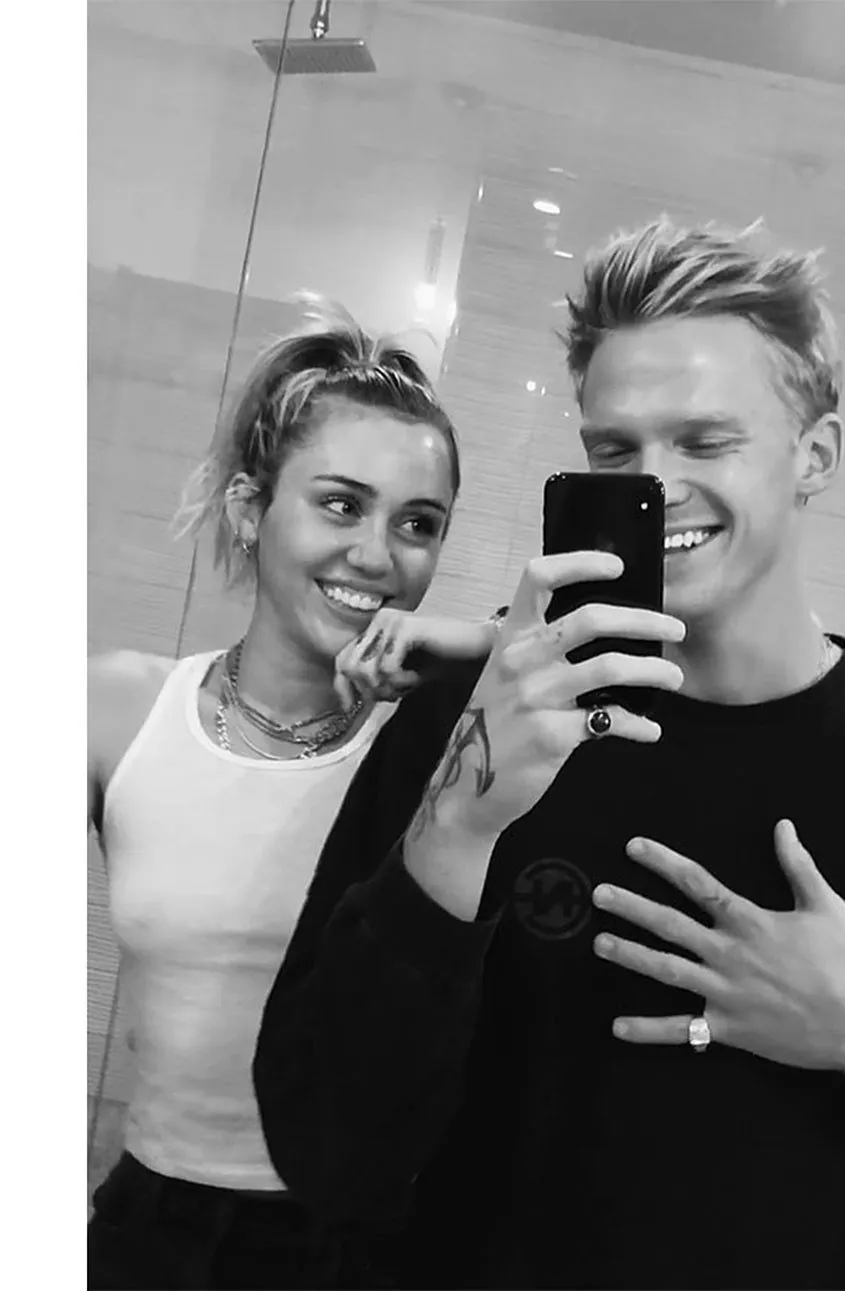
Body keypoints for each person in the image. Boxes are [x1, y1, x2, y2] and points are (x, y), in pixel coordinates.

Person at [253, 223, 845, 1290]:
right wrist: (460, 824)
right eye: (616, 452)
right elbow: (323, 1146)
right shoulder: (480, 721)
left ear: (816, 456)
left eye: (705, 442)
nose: (655, 487)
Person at [86, 297, 497, 1290]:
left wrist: (480, 645)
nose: (378, 556)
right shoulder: (117, 710)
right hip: (155, 1232)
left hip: (370, 1246)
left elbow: (649, 665)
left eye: (418, 523)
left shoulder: (450, 749)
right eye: (341, 504)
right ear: (249, 507)